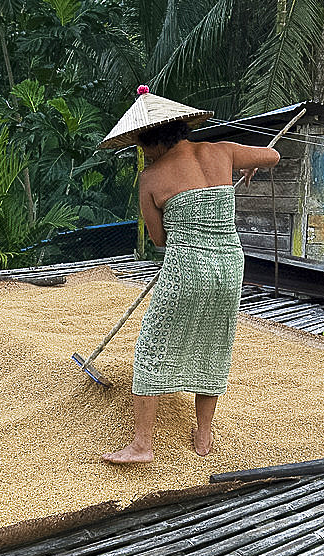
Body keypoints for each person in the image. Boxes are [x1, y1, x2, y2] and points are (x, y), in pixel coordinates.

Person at [101, 119, 280, 464]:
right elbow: (272, 154)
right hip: (229, 267)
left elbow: (158, 239)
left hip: (187, 269)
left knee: (152, 345)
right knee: (214, 344)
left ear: (150, 142)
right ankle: (203, 433)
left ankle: (142, 445)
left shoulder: (152, 176)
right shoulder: (223, 151)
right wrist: (251, 166)